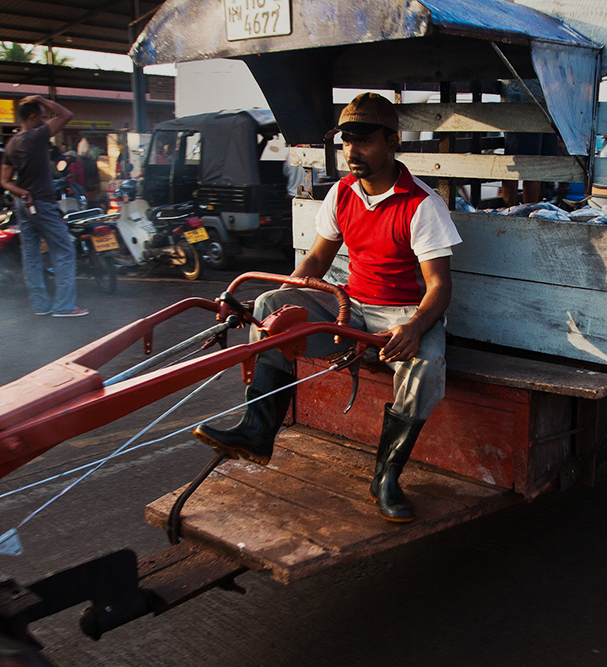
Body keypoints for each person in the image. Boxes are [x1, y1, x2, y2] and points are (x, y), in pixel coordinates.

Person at [194, 93, 461, 523]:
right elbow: (317, 261)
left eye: (364, 141)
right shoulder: (341, 193)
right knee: (271, 303)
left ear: (392, 142)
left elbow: (439, 287)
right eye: (345, 142)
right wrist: (295, 292)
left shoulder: (422, 205)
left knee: (427, 364)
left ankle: (387, 475)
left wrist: (414, 328)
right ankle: (258, 430)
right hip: (351, 306)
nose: (352, 151)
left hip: (404, 313)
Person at [0, 95, 87, 318]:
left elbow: (5, 181)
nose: (45, 119)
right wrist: (41, 98)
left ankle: (40, 306)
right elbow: (67, 114)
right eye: (42, 116)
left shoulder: (11, 143)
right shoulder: (36, 136)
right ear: (32, 117)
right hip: (42, 203)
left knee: (31, 256)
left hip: (23, 204)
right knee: (65, 250)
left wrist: (23, 192)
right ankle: (64, 306)